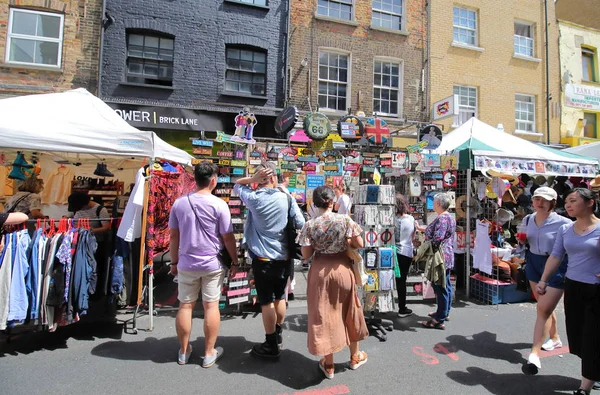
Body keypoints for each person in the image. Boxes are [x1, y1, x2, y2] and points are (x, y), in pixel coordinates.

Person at [168, 162, 239, 367]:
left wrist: (173, 261)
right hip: (212, 264)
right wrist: (234, 261)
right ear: (213, 180)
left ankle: (183, 351)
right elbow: (228, 238)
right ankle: (208, 353)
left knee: (185, 305)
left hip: (186, 262)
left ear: (195, 179)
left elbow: (174, 236)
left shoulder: (179, 203)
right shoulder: (219, 205)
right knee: (211, 306)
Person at [234, 162, 305, 359]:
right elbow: (301, 223)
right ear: (274, 178)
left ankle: (271, 342)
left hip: (262, 259)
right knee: (280, 297)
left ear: (258, 181)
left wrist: (252, 179)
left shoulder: (253, 198)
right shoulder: (286, 198)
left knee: (266, 302)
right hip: (283, 258)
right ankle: (278, 332)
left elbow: (236, 185)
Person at [297, 186, 369, 379]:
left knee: (323, 315)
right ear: (332, 201)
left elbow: (306, 254)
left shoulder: (310, 225)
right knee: (350, 309)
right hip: (342, 270)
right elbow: (360, 244)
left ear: (315, 203)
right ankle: (355, 356)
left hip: (320, 272)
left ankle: (329, 365)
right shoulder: (345, 219)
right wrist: (346, 242)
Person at [536, 189, 600, 395]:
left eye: (574, 201)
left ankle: (584, 388)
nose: (569, 205)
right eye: (567, 202)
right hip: (573, 287)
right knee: (578, 337)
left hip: (596, 290)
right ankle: (594, 370)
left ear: (590, 203)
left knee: (592, 337)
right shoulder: (566, 229)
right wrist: (543, 280)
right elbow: (556, 256)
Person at [522, 187, 571, 374]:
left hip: (556, 264)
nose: (539, 202)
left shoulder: (564, 223)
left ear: (553, 202)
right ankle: (555, 337)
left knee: (543, 308)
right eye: (536, 199)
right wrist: (521, 242)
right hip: (534, 262)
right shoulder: (528, 219)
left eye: (545, 199)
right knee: (543, 304)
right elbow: (525, 240)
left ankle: (534, 354)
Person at [418, 193, 456, 330]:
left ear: (439, 204)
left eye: (434, 202)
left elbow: (438, 238)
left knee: (440, 286)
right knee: (445, 285)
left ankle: (439, 319)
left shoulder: (442, 219)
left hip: (440, 256)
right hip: (447, 254)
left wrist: (427, 246)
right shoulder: (449, 217)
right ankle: (444, 312)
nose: (433, 204)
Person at [394, 194, 416, 318]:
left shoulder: (392, 219)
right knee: (402, 280)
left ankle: (386, 305)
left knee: (393, 279)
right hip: (407, 252)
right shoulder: (411, 219)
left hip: (395, 251)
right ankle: (402, 307)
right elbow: (413, 237)